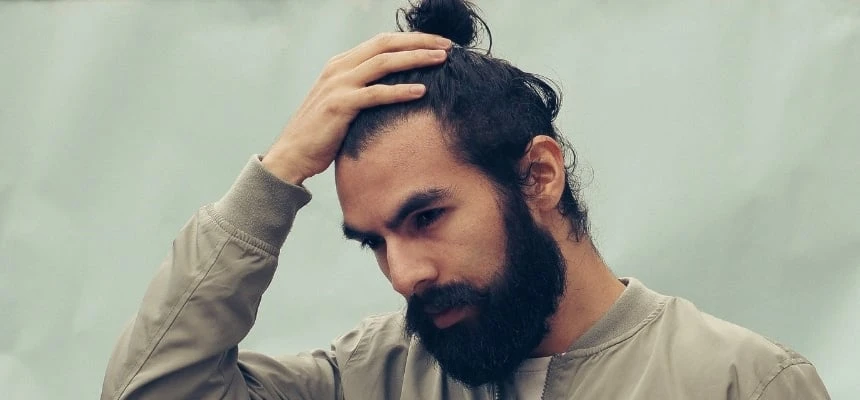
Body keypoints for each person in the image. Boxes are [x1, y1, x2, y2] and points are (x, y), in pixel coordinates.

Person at [100, 0, 831, 399]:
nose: (404, 273)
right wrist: (279, 173)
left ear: (538, 176)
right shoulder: (372, 376)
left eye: (425, 218)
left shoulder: (742, 382)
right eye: (375, 241)